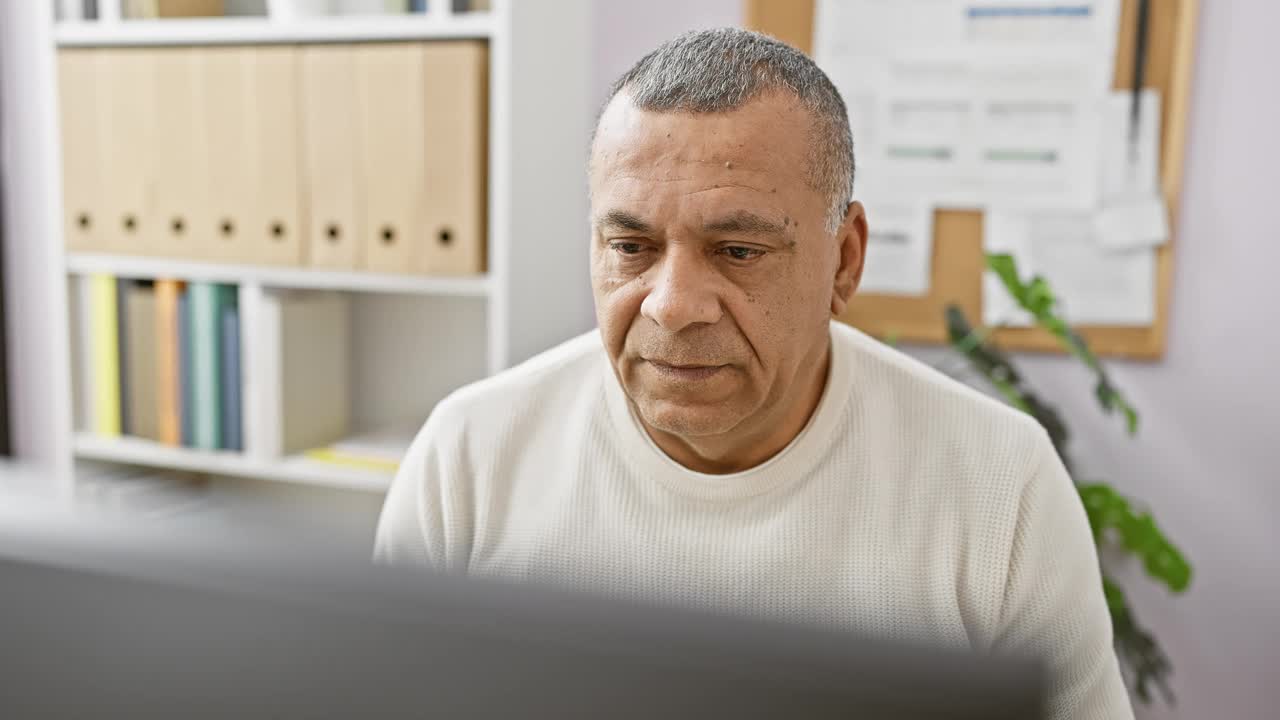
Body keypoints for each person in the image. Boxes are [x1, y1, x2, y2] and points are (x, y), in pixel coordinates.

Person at [376, 28, 1132, 719]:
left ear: (845, 260)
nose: (672, 308)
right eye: (631, 247)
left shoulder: (1000, 484)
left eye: (738, 251)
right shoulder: (470, 459)